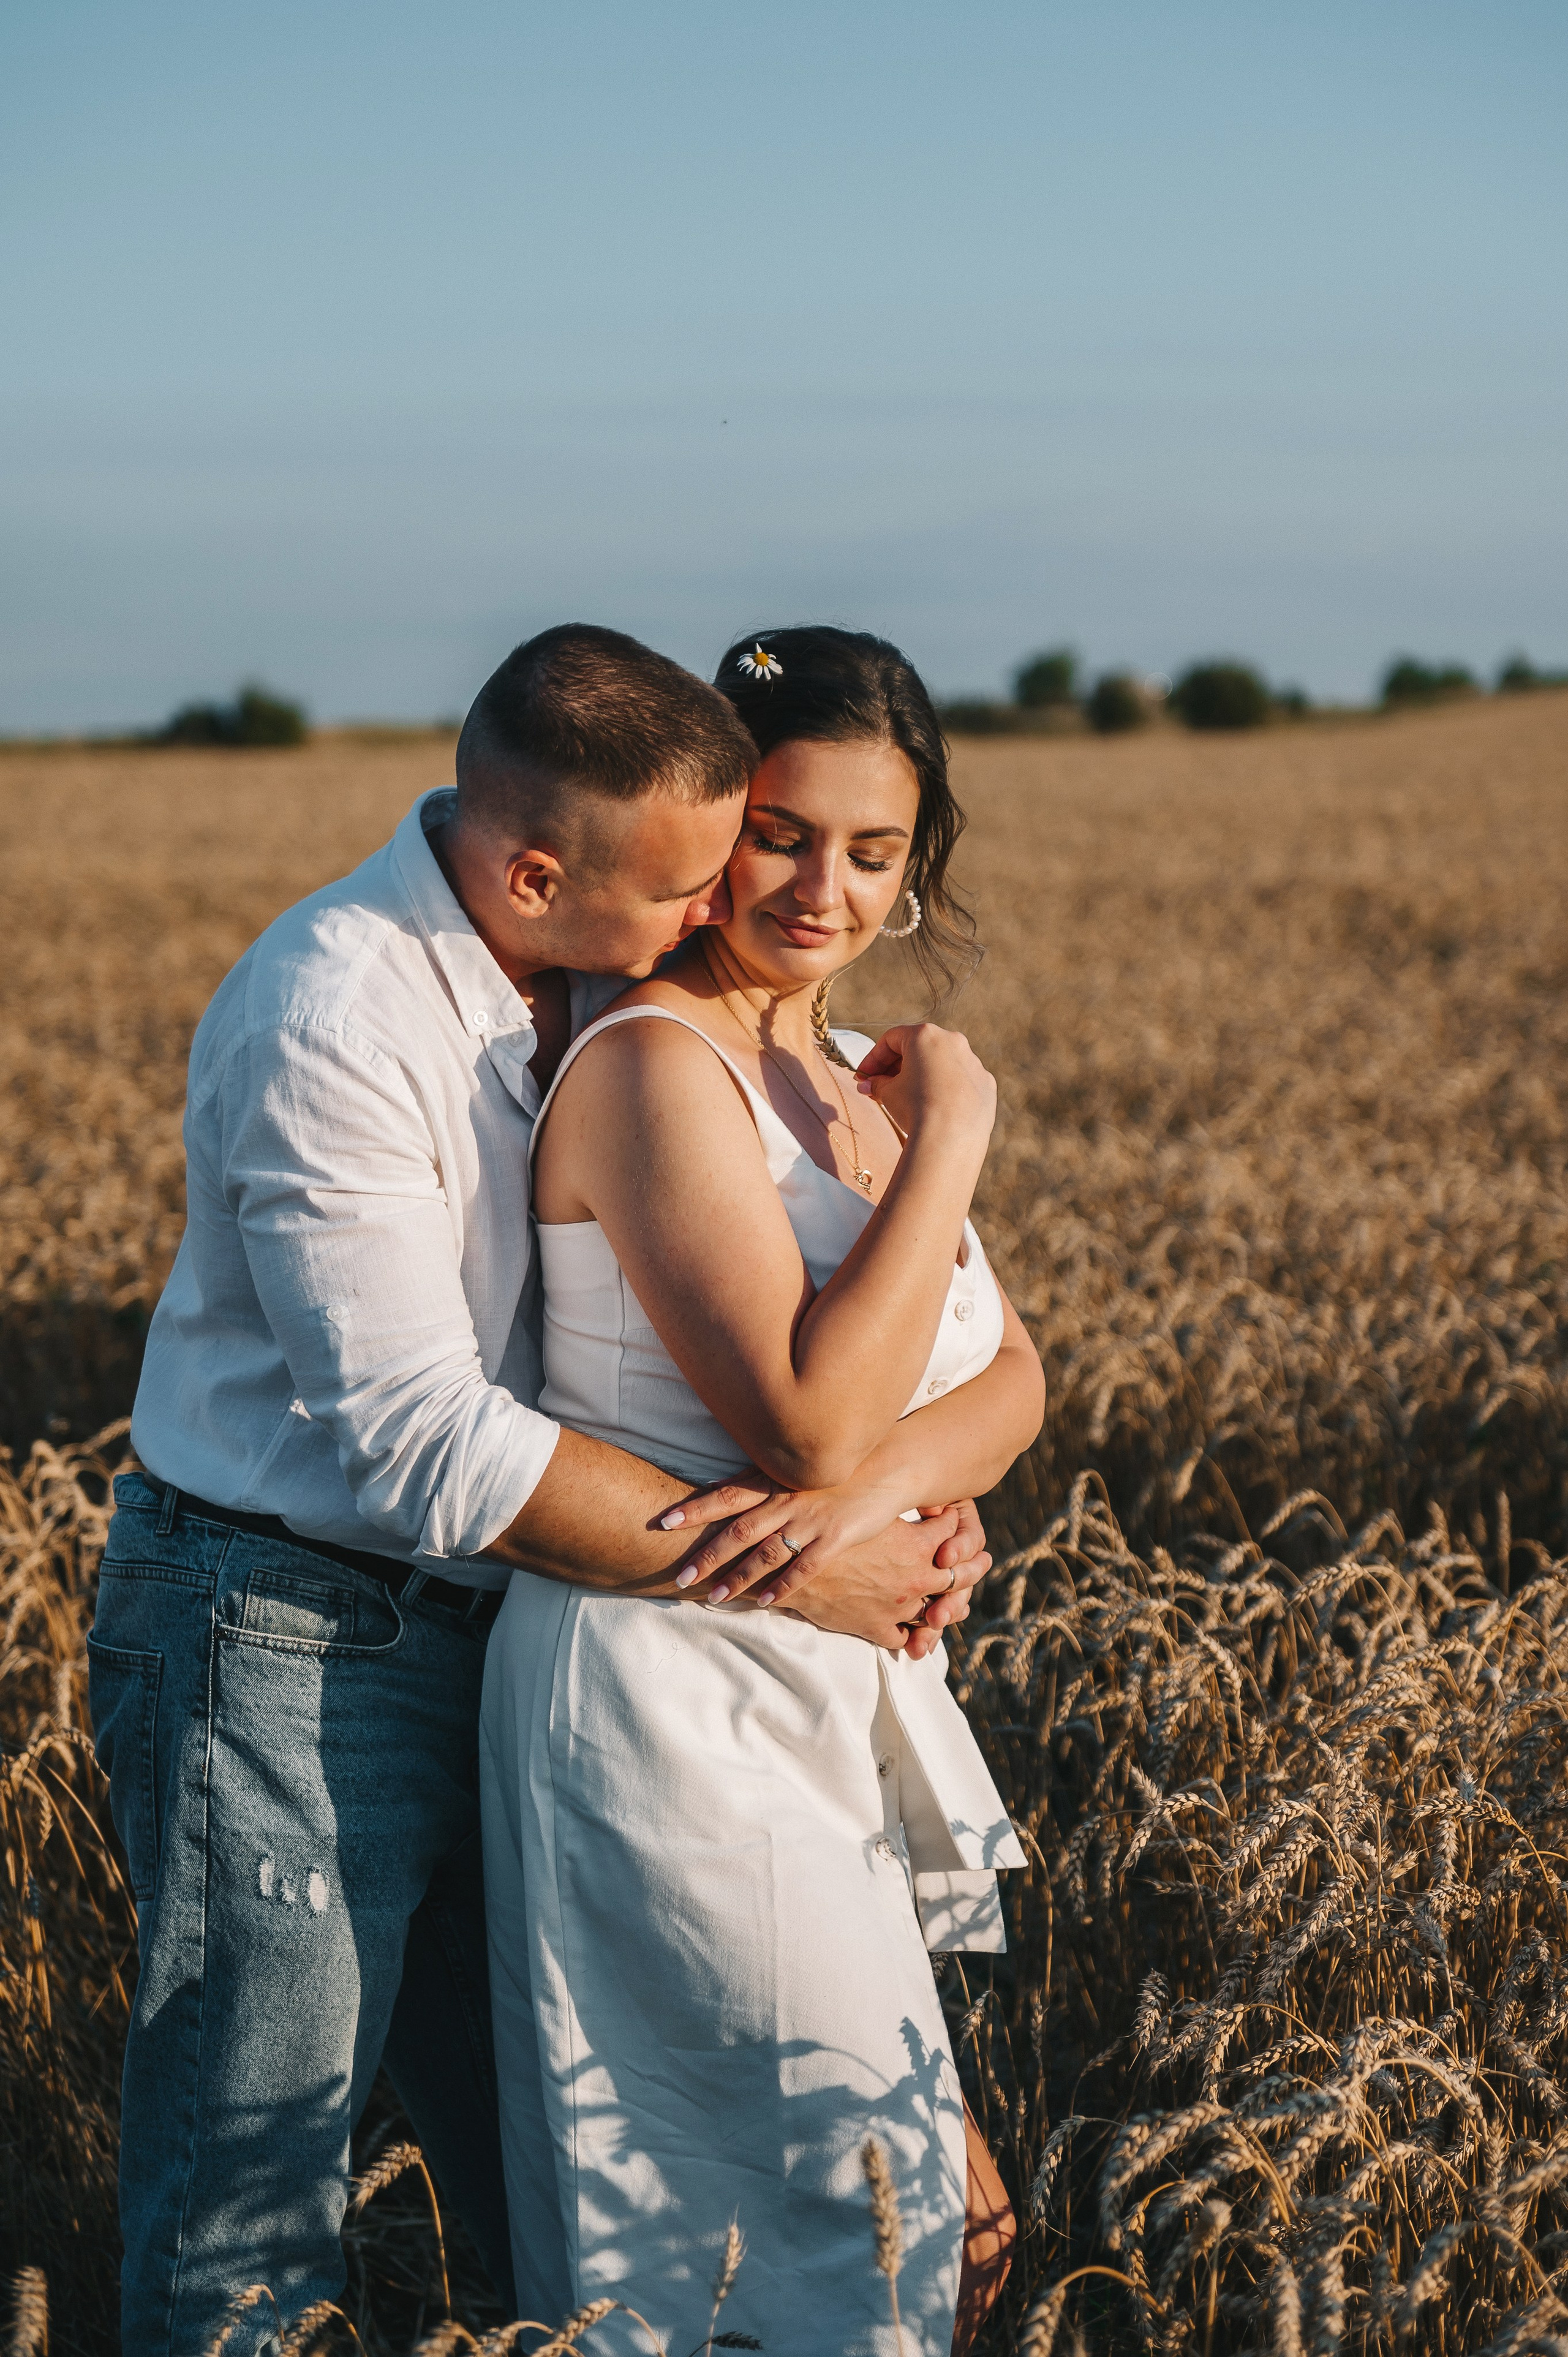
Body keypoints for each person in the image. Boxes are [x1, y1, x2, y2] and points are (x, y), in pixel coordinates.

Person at [88, 625, 992, 2357]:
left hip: (527, 1629)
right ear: (534, 871)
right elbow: (424, 1440)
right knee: (253, 2209)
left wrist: (904, 1485)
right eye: (689, 887)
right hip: (278, 1637)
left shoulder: (569, 952)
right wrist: (803, 1566)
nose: (712, 919)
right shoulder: (334, 1012)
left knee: (565, 2183)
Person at [481, 627, 1046, 2357]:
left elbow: (1016, 1378)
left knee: (938, 2237)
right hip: (674, 1712)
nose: (827, 887)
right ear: (717, 822)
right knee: (778, 2267)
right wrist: (958, 1136)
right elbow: (806, 1424)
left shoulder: (847, 1070)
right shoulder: (663, 1067)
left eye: (877, 852)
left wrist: (874, 1508)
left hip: (827, 1691)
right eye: (787, 834)